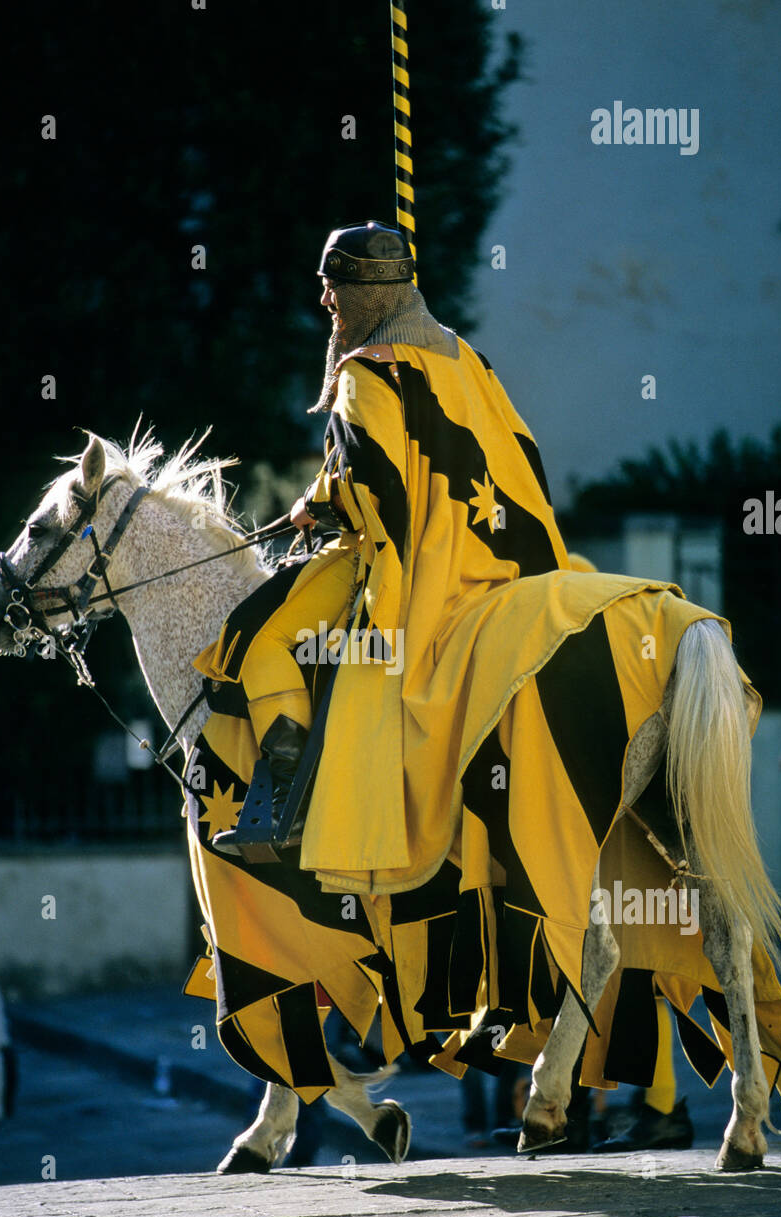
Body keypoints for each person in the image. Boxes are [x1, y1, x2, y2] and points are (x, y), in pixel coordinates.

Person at [195, 219, 570, 859]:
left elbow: (377, 491)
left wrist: (323, 509)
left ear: (366, 292)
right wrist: (323, 494)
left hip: (416, 568)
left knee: (260, 639)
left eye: (332, 285)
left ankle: (286, 805)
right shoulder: (467, 358)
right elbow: (522, 457)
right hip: (496, 562)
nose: (325, 301)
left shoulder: (365, 373)